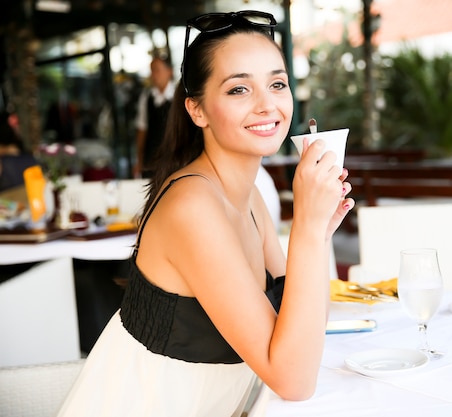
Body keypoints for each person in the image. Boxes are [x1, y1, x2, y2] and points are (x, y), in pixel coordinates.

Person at [57, 10, 354, 416]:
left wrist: (318, 234)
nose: (268, 105)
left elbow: (303, 330)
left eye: (277, 83)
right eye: (238, 90)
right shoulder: (191, 207)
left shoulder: (248, 196)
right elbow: (294, 380)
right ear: (197, 111)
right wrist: (304, 226)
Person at [133, 53, 175, 178]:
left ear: (169, 71)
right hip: (152, 159)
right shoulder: (146, 98)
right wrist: (139, 160)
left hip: (174, 157)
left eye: (157, 70)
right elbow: (142, 129)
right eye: (151, 71)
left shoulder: (179, 96)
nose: (154, 75)